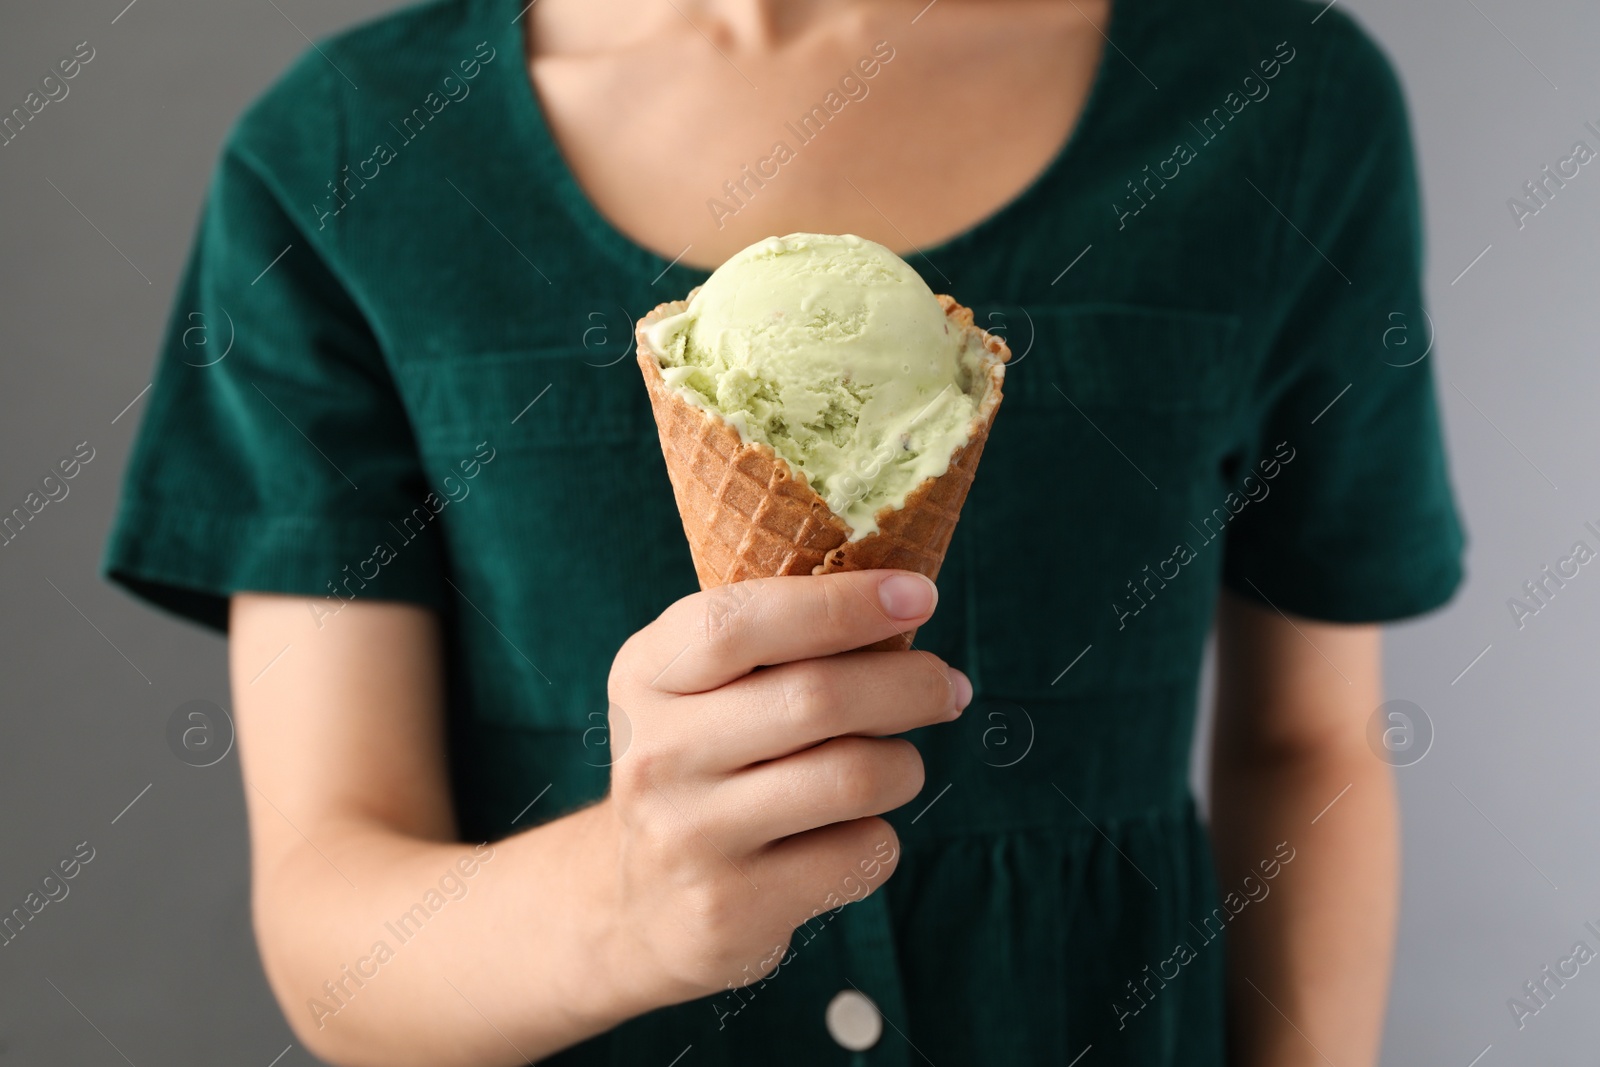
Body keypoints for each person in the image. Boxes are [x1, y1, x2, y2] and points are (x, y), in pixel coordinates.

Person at [102, 0, 1466, 1063]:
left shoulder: (1284, 105)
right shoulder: (343, 157)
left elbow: (1309, 747)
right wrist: (626, 904)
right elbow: (330, 907)